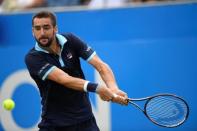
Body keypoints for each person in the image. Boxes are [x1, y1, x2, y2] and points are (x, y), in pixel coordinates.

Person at [25, 11, 128, 131]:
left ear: (55, 29)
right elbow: (64, 79)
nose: (42, 33)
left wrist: (113, 88)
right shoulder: (33, 58)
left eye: (46, 28)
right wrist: (98, 88)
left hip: (86, 122)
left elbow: (101, 65)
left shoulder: (70, 40)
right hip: (55, 125)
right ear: (33, 31)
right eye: (37, 29)